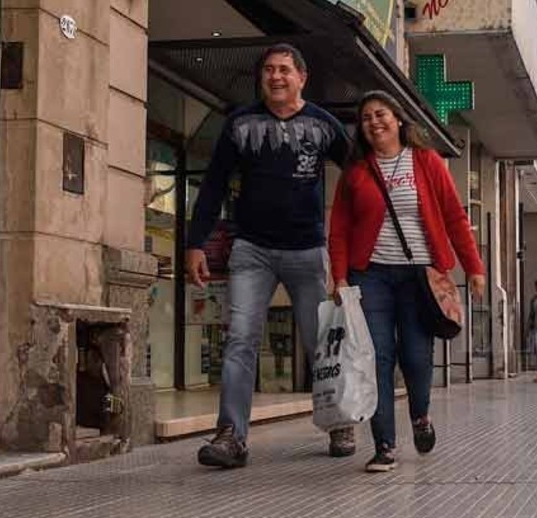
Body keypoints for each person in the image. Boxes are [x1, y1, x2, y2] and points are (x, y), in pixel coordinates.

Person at [190, 45, 354, 469]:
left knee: (321, 342)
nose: (276, 77)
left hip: (307, 251)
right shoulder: (240, 124)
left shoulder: (323, 125)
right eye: (268, 70)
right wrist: (194, 242)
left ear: (302, 77)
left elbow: (359, 174)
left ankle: (340, 423)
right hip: (252, 250)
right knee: (240, 338)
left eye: (284, 70)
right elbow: (212, 186)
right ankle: (231, 437)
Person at [327, 90, 487, 473]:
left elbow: (453, 218)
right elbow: (340, 230)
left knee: (416, 356)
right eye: (365, 118)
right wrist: (339, 277)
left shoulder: (427, 162)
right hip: (372, 276)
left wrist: (474, 267)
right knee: (378, 357)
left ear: (398, 119)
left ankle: (420, 416)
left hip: (420, 276)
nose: (374, 122)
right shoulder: (356, 173)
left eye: (380, 114)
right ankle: (384, 444)